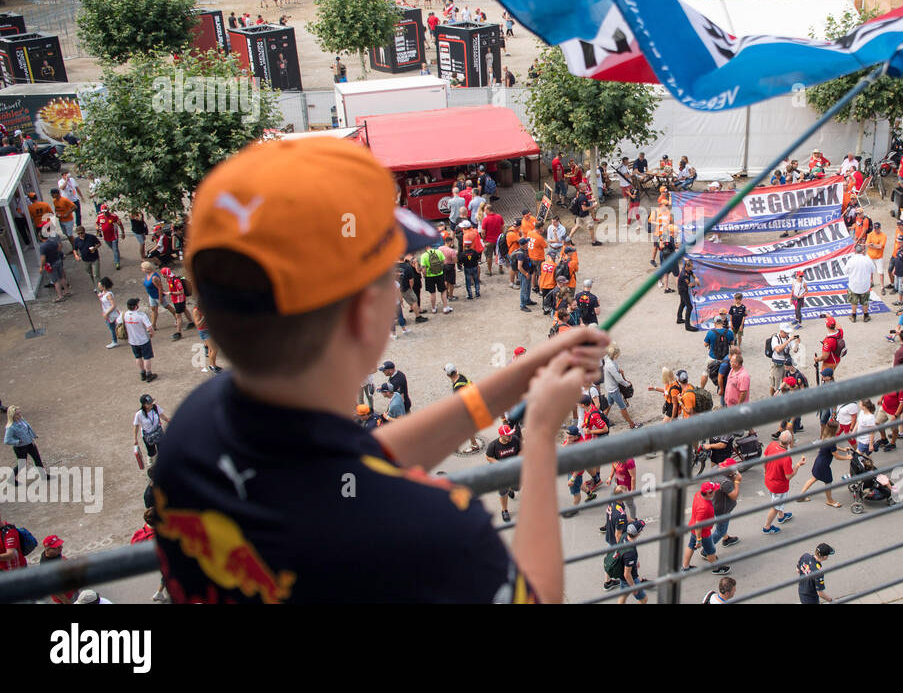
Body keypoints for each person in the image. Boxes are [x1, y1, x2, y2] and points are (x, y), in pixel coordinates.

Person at [151, 137, 612, 603]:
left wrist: (526, 374)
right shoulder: (438, 525)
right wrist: (537, 442)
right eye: (388, 276)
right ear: (360, 313)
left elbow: (362, 464)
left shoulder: (196, 426)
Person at [761, 431, 804, 534]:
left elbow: (765, 460)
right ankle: (767, 527)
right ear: (789, 442)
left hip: (769, 480)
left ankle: (781, 516)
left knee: (775, 500)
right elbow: (788, 476)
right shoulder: (786, 457)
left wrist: (766, 471)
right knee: (775, 506)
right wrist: (798, 465)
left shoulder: (772, 445)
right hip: (779, 486)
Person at [485, 425, 522, 523]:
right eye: (508, 435)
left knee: (517, 488)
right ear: (501, 435)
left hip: (514, 470)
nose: (511, 437)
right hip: (501, 473)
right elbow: (488, 457)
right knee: (503, 492)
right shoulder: (493, 445)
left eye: (511, 434)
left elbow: (521, 450)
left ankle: (510, 489)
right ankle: (504, 510)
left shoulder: (515, 439)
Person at [122, 297, 157, 382]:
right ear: (135, 306)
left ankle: (142, 373)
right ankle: (149, 374)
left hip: (132, 340)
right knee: (147, 357)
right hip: (143, 339)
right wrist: (152, 333)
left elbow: (119, 322)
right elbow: (149, 327)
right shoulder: (141, 315)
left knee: (138, 357)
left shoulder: (125, 314)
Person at [4, 406, 44, 479]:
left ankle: (43, 476)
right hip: (20, 448)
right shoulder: (10, 427)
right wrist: (18, 441)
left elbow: (28, 429)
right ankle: (11, 478)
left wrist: (33, 435)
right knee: (21, 464)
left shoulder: (22, 420)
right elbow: (7, 440)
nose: (20, 415)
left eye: (20, 413)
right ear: (12, 415)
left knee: (37, 459)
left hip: (30, 444)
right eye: (17, 414)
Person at [132, 394, 169, 468]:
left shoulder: (156, 408)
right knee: (152, 452)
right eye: (149, 403)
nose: (151, 404)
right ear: (144, 405)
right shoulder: (139, 414)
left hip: (158, 432)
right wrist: (135, 438)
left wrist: (169, 420)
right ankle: (151, 462)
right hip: (148, 436)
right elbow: (136, 426)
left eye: (151, 402)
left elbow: (162, 415)